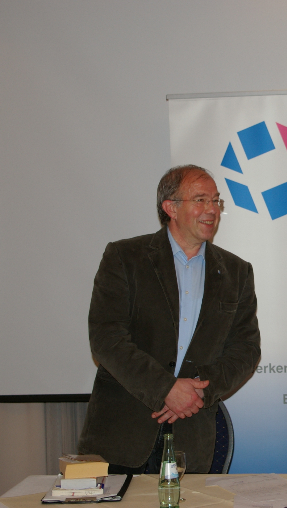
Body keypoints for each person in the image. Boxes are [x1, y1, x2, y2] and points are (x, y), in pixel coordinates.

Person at [78, 165, 261, 474]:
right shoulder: (125, 257)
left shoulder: (237, 272)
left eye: (216, 200)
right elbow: (106, 338)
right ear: (170, 208)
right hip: (122, 434)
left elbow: (246, 350)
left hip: (191, 436)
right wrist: (166, 388)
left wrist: (197, 392)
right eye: (201, 200)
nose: (212, 209)